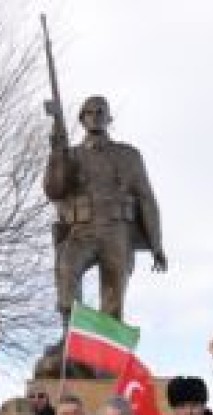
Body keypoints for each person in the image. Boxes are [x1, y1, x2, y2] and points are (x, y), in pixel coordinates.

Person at [44, 95, 166, 327]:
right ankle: (71, 338)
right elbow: (54, 191)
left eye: (101, 112)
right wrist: (57, 153)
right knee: (66, 269)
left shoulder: (129, 155)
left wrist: (156, 243)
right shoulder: (70, 155)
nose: (96, 116)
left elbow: (146, 199)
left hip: (116, 233)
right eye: (90, 112)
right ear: (82, 119)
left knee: (113, 306)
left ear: (108, 118)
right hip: (81, 232)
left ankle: (108, 357)